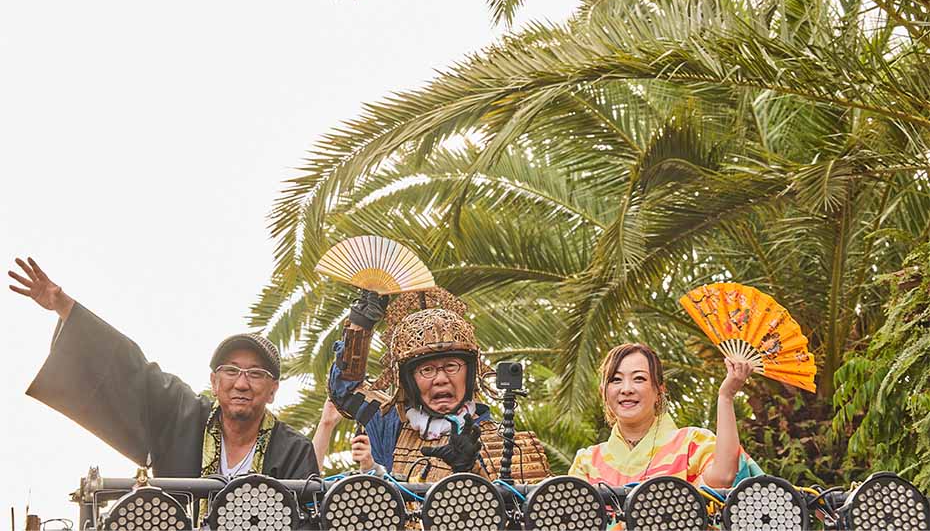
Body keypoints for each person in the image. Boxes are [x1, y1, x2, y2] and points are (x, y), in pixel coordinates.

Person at [9, 257, 319, 481]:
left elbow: (310, 520)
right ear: (213, 382)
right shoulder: (183, 417)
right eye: (231, 371)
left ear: (273, 390)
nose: (241, 383)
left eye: (255, 374)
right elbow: (130, 367)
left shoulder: (293, 450)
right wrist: (63, 305)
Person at [327, 287, 550, 482]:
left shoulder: (506, 445)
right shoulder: (392, 425)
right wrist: (360, 325)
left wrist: (467, 470)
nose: (441, 379)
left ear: (470, 374)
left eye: (451, 366)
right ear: (409, 381)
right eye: (427, 370)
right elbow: (346, 392)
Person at [570, 342, 762, 487]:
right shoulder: (587, 461)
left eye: (639, 379)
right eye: (616, 380)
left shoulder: (691, 443)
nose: (626, 389)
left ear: (659, 390)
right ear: (603, 391)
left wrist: (726, 396)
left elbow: (724, 478)